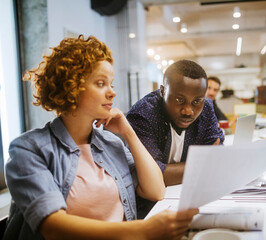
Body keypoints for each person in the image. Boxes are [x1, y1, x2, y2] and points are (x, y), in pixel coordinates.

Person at [4, 35, 198, 240]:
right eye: (100, 83)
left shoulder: (111, 143)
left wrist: (128, 133)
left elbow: (156, 191)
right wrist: (143, 231)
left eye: (111, 84)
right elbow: (52, 226)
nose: (112, 93)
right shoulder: (28, 149)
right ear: (71, 86)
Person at [126, 60, 224, 217]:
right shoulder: (142, 115)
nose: (188, 111)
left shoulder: (206, 107)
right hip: (150, 209)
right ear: (163, 91)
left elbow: (217, 155)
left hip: (192, 196)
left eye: (197, 101)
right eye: (179, 100)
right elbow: (155, 175)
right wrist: (205, 163)